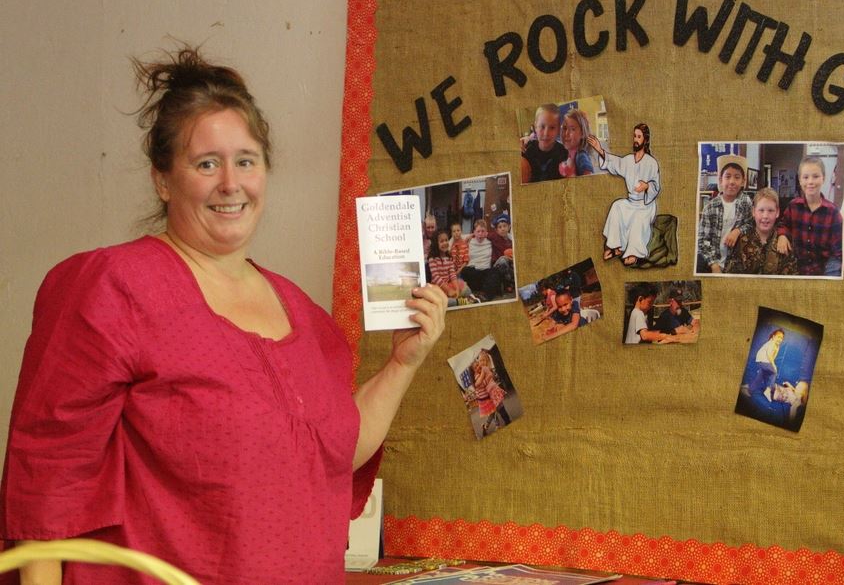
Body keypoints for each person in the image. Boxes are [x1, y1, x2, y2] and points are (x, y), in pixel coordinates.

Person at [0, 45, 447, 585]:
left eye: (246, 161)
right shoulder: (112, 287)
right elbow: (46, 482)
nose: (230, 183)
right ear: (163, 179)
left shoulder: (305, 317)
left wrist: (402, 363)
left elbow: (334, 454)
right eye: (206, 163)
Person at [586, 123, 660, 267]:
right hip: (631, 202)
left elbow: (656, 187)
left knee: (638, 218)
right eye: (634, 136)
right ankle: (616, 247)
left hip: (646, 205)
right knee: (617, 206)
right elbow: (614, 163)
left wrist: (646, 186)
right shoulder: (628, 160)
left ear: (645, 140)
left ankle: (633, 253)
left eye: (639, 137)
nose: (635, 140)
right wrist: (599, 150)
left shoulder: (651, 163)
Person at [775, 155, 844, 277]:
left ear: (823, 178)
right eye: (806, 177)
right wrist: (782, 235)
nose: (810, 182)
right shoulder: (793, 206)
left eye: (815, 176)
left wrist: (829, 279)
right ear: (800, 180)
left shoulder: (833, 212)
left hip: (822, 273)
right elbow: (783, 224)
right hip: (794, 271)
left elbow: (838, 252)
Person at [697, 154, 753, 273]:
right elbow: (702, 241)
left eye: (737, 177)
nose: (732, 182)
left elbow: (750, 224)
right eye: (727, 177)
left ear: (743, 181)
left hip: (735, 262)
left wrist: (738, 231)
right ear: (720, 180)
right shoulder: (710, 207)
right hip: (712, 260)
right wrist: (714, 264)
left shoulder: (746, 201)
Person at [724, 188, 798, 276]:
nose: (765, 216)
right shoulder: (741, 241)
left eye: (770, 211)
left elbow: (792, 279)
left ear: (777, 212)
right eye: (761, 210)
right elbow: (731, 277)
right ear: (753, 212)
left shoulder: (784, 242)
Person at [520, 104, 568, 183]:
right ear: (535, 127)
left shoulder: (565, 153)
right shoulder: (526, 149)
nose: (546, 133)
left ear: (558, 130)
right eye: (542, 126)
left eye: (552, 128)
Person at [459, 219, 503, 300]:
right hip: (473, 272)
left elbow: (502, 236)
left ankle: (486, 296)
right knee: (465, 270)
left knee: (495, 271)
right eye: (478, 231)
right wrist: (470, 236)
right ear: (474, 232)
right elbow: (454, 238)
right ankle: (481, 290)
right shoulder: (468, 241)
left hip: (485, 273)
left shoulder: (491, 241)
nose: (480, 234)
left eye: (483, 231)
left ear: (486, 232)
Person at [472, 350, 509, 437]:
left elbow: (489, 377)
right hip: (487, 396)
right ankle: (491, 425)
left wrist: (487, 374)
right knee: (494, 411)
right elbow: (480, 383)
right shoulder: (478, 374)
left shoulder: (484, 369)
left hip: (492, 393)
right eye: (480, 361)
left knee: (498, 409)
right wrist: (486, 376)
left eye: (483, 360)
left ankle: (502, 422)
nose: (481, 363)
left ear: (486, 361)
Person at [428, 230, 472, 302]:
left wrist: (456, 289)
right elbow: (436, 277)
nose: (445, 243)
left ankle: (460, 299)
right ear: (436, 244)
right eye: (442, 241)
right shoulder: (432, 258)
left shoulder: (449, 257)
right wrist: (448, 290)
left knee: (468, 291)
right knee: (448, 301)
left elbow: (452, 274)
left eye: (446, 240)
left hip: (449, 284)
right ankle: (458, 302)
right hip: (438, 287)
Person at [744, 328, 785, 400]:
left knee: (761, 376)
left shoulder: (777, 346)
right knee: (774, 372)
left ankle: (749, 388)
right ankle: (768, 390)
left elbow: (773, 357)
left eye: (781, 338)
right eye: (778, 337)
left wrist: (771, 364)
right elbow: (769, 354)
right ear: (773, 337)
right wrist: (774, 366)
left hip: (765, 362)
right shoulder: (771, 342)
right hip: (762, 360)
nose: (780, 339)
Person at [557, 107, 596, 178]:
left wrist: (571, 175)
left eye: (572, 129)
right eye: (565, 128)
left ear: (582, 133)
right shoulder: (569, 153)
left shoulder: (581, 156)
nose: (566, 133)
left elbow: (590, 179)